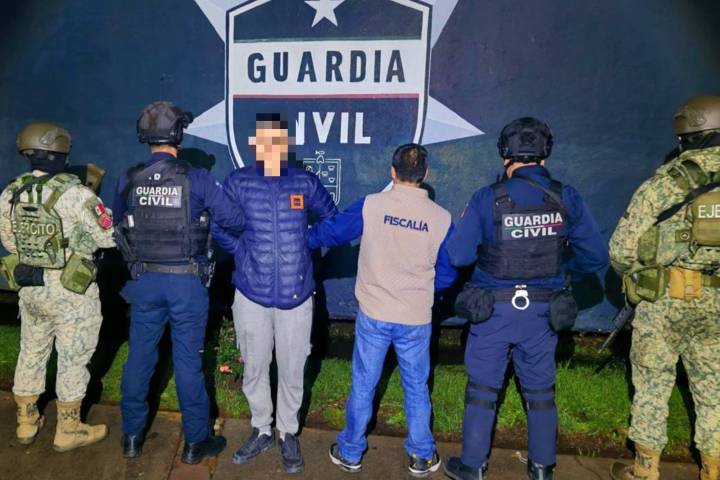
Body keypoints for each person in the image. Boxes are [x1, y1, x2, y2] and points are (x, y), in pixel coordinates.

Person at [443, 118, 608, 480]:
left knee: (483, 390)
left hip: (493, 312)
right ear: (545, 154)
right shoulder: (566, 197)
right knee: (540, 392)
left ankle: (472, 467)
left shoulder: (487, 197)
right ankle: (542, 468)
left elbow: (458, 255)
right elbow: (596, 257)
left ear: (505, 153)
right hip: (543, 313)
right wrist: (563, 273)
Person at [307, 143, 457, 477]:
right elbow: (448, 273)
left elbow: (332, 232)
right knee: (416, 386)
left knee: (364, 383)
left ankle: (350, 452)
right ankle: (422, 455)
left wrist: (297, 238)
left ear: (392, 171)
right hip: (416, 317)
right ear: (425, 174)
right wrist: (420, 291)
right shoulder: (441, 218)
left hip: (374, 312)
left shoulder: (371, 205)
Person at [114, 101, 245, 464]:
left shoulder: (129, 178)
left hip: (144, 280)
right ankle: (195, 443)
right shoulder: (196, 178)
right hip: (186, 283)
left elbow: (118, 221)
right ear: (178, 136)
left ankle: (132, 437)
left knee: (140, 357)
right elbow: (235, 219)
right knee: (188, 362)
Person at [211, 113, 337, 474]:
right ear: (254, 143)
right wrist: (239, 250)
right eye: (264, 139)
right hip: (252, 292)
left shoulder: (304, 181)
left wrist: (307, 242)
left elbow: (331, 218)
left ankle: (287, 432)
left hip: (296, 294)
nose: (270, 146)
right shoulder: (238, 181)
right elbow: (217, 225)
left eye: (277, 140)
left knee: (293, 368)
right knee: (254, 366)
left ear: (286, 144)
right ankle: (262, 429)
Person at [609, 95, 720, 480]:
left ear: (687, 136)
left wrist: (640, 269)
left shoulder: (668, 182)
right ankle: (712, 469)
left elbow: (621, 250)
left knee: (653, 383)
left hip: (665, 301)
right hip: (717, 303)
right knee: (714, 388)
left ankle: (645, 469)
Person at [0, 122, 115, 451]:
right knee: (73, 356)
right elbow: (107, 236)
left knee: (31, 351)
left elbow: (9, 241)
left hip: (31, 286)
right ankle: (69, 428)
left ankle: (26, 422)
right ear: (62, 151)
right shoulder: (77, 194)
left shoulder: (11, 192)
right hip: (70, 290)